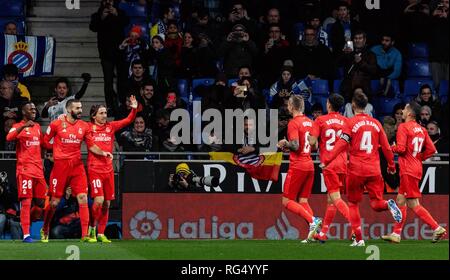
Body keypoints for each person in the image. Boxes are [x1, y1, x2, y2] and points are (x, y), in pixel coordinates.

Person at [321, 91, 402, 246]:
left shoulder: (350, 123)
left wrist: (328, 159)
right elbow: (386, 147)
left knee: (353, 204)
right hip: (374, 170)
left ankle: (359, 239)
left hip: (356, 170)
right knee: (376, 204)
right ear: (366, 106)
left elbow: (341, 144)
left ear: (352, 106)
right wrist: (391, 165)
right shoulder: (377, 124)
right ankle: (388, 204)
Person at [41, 99, 112, 242]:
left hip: (77, 166)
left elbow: (91, 146)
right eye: (77, 108)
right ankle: (45, 228)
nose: (80, 110)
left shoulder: (84, 126)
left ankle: (85, 235)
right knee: (54, 203)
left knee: (83, 197)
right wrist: (56, 151)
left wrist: (103, 153)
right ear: (68, 110)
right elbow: (44, 142)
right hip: (60, 167)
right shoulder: (56, 124)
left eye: (81, 108)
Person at [382, 102, 446, 243]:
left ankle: (436, 228)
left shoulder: (404, 127)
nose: (402, 111)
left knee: (413, 204)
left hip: (408, 170)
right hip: (416, 168)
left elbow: (401, 149)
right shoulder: (422, 130)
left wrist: (390, 148)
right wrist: (418, 158)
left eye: (405, 109)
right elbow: (432, 150)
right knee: (400, 200)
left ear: (410, 113)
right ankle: (396, 234)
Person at [87, 96, 138, 242]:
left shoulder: (111, 127)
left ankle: (101, 234)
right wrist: (103, 153)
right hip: (94, 168)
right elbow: (91, 146)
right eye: (101, 113)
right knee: (99, 200)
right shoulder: (88, 128)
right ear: (93, 115)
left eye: (105, 113)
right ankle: (92, 229)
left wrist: (134, 109)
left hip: (108, 170)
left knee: (107, 203)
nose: (104, 115)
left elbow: (128, 120)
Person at [277, 95, 322, 242]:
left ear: (291, 106)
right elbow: (315, 145)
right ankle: (315, 234)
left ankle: (313, 220)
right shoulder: (310, 122)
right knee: (303, 200)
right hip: (310, 165)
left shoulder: (293, 123)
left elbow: (295, 145)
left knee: (286, 201)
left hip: (298, 166)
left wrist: (285, 143)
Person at [308, 94, 350, 242]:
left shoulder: (320, 120)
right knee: (331, 200)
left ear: (329, 105)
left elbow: (312, 142)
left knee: (335, 198)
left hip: (329, 163)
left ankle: (355, 225)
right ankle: (323, 234)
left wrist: (309, 137)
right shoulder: (346, 121)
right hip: (343, 163)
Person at [6, 102, 47, 242]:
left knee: (41, 203)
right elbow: (9, 138)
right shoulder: (17, 126)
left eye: (35, 109)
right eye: (31, 109)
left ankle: (24, 220)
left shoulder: (36, 127)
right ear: (24, 112)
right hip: (25, 170)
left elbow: (45, 144)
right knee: (27, 201)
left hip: (38, 170)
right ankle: (26, 234)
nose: (34, 111)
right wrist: (23, 126)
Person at [89, 0, 129, 117]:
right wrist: (102, 17)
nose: (108, 3)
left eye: (111, 0)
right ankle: (110, 106)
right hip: (106, 53)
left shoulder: (120, 12)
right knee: (108, 81)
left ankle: (122, 104)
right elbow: (93, 27)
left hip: (120, 51)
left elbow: (126, 22)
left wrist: (116, 14)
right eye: (106, 0)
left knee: (122, 80)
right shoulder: (97, 15)